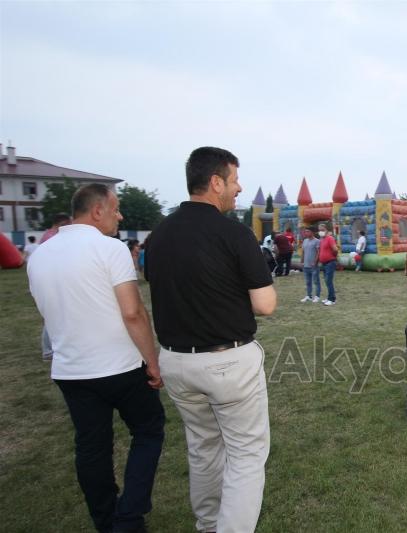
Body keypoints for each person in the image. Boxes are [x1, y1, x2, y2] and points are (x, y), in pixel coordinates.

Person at [145, 146, 277, 533]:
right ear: (216, 182)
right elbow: (265, 304)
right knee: (246, 456)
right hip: (226, 362)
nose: (239, 188)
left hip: (176, 362)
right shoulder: (233, 234)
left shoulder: (159, 235)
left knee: (202, 449)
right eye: (235, 180)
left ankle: (207, 524)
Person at [28, 183, 165, 533]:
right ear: (97, 211)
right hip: (119, 366)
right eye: (116, 208)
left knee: (92, 449)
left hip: (71, 369)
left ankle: (106, 520)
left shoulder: (41, 254)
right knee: (149, 430)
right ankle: (129, 516)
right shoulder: (110, 249)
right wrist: (152, 360)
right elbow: (132, 312)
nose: (120, 215)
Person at [38, 212, 71, 360]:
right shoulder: (53, 238)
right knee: (51, 316)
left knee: (52, 315)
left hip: (47, 279)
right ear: (63, 223)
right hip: (53, 280)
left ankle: (52, 348)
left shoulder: (47, 236)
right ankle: (48, 350)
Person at [318, 222, 339, 305]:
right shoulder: (321, 239)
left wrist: (333, 257)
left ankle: (332, 299)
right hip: (324, 263)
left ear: (326, 230)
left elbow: (335, 249)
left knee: (328, 280)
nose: (321, 232)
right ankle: (329, 297)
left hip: (330, 262)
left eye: (322, 230)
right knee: (327, 281)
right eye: (319, 230)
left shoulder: (329, 238)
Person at [301, 227, 321, 302]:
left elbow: (318, 252)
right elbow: (303, 252)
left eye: (307, 231)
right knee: (308, 282)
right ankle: (309, 296)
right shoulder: (305, 241)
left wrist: (315, 262)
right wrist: (302, 261)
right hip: (306, 265)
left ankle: (317, 296)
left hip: (313, 266)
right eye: (305, 232)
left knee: (316, 281)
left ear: (312, 232)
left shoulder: (317, 241)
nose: (306, 233)